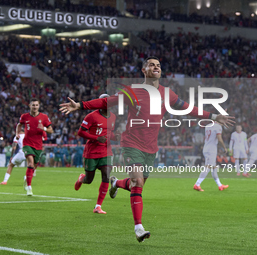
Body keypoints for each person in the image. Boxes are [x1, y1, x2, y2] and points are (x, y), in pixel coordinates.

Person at [59, 56, 235, 242]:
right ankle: (138, 228)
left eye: (158, 65)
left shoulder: (168, 93)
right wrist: (79, 105)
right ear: (144, 70)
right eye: (152, 65)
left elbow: (187, 108)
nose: (156, 67)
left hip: (151, 147)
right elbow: (107, 102)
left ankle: (116, 183)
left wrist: (214, 116)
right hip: (131, 143)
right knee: (138, 183)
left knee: (137, 183)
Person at [74, 94, 117, 214]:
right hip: (92, 152)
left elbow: (110, 133)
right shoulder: (91, 116)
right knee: (89, 179)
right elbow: (80, 132)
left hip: (106, 151)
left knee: (106, 175)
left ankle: (98, 206)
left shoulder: (113, 117)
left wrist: (115, 136)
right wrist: (96, 138)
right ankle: (82, 178)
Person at [16, 98, 53, 196]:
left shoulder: (44, 117)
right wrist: (17, 133)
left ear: (39, 106)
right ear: (29, 106)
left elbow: (51, 130)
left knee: (34, 167)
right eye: (33, 105)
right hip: (27, 143)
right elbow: (19, 125)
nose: (35, 107)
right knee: (31, 163)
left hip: (38, 145)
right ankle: (29, 188)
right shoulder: (24, 116)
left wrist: (44, 128)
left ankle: (26, 179)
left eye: (36, 105)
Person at [193, 122, 229, 191]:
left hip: (207, 147)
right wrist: (224, 148)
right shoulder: (218, 127)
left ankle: (220, 185)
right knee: (208, 166)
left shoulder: (208, 125)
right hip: (211, 150)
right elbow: (219, 139)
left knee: (214, 167)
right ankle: (197, 184)